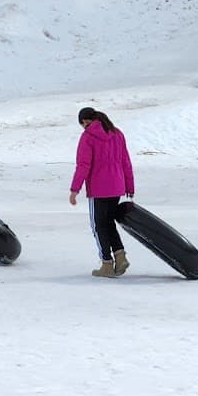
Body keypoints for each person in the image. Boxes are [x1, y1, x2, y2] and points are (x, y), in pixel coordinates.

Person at [69, 108, 137, 277]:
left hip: (99, 189)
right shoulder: (117, 134)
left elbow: (83, 165)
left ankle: (106, 263)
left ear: (85, 121)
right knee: (108, 223)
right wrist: (129, 186)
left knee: (98, 226)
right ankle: (120, 256)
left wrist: (74, 189)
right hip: (117, 186)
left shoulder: (88, 137)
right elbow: (126, 162)